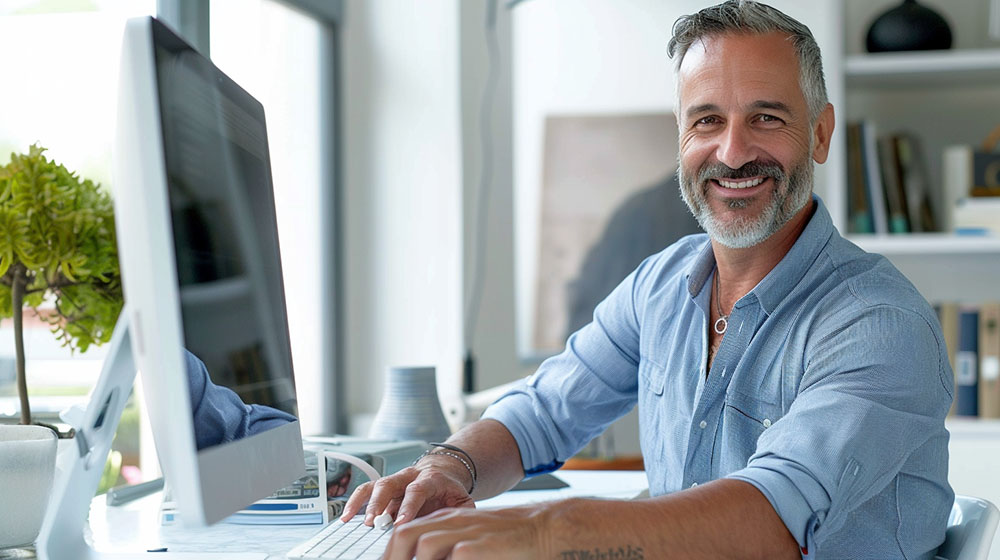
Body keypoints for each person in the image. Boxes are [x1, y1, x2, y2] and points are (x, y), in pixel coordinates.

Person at [342, 2, 955, 558]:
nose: (733, 152)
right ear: (681, 136)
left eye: (766, 118)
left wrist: (548, 533)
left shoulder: (878, 325)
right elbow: (543, 411)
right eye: (707, 120)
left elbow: (772, 518)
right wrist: (450, 467)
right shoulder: (658, 286)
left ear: (819, 133)